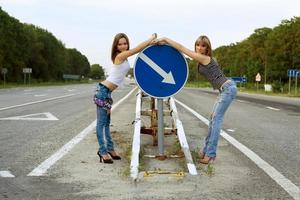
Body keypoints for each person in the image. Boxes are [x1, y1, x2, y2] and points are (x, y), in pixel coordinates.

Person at [156, 35, 237, 164]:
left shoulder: (204, 58)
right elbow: (180, 51)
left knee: (216, 122)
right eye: (198, 45)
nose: (199, 48)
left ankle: (210, 155)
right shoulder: (201, 59)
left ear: (207, 48)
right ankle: (206, 151)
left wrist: (166, 39)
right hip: (224, 90)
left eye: (203, 46)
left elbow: (182, 48)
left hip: (227, 89)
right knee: (212, 119)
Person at [94, 33, 157, 164]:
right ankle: (102, 151)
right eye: (120, 44)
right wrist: (150, 39)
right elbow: (137, 49)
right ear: (116, 46)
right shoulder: (120, 56)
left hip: (107, 94)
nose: (123, 46)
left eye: (125, 43)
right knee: (101, 124)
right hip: (102, 92)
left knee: (106, 123)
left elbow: (137, 50)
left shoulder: (124, 58)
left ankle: (110, 149)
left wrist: (150, 44)